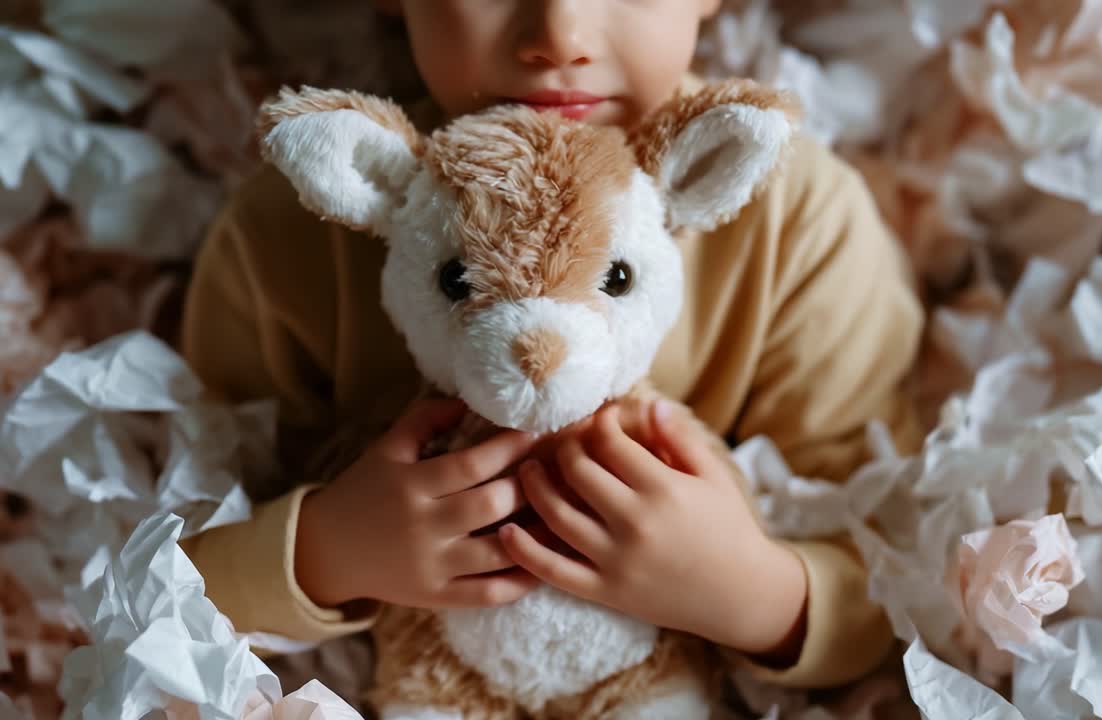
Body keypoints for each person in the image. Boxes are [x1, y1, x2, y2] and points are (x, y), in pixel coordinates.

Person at [176, 0, 926, 695]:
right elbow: (162, 569)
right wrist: (325, 555)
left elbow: (892, 567)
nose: (559, 37)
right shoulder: (286, 231)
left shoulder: (798, 219)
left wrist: (754, 594)